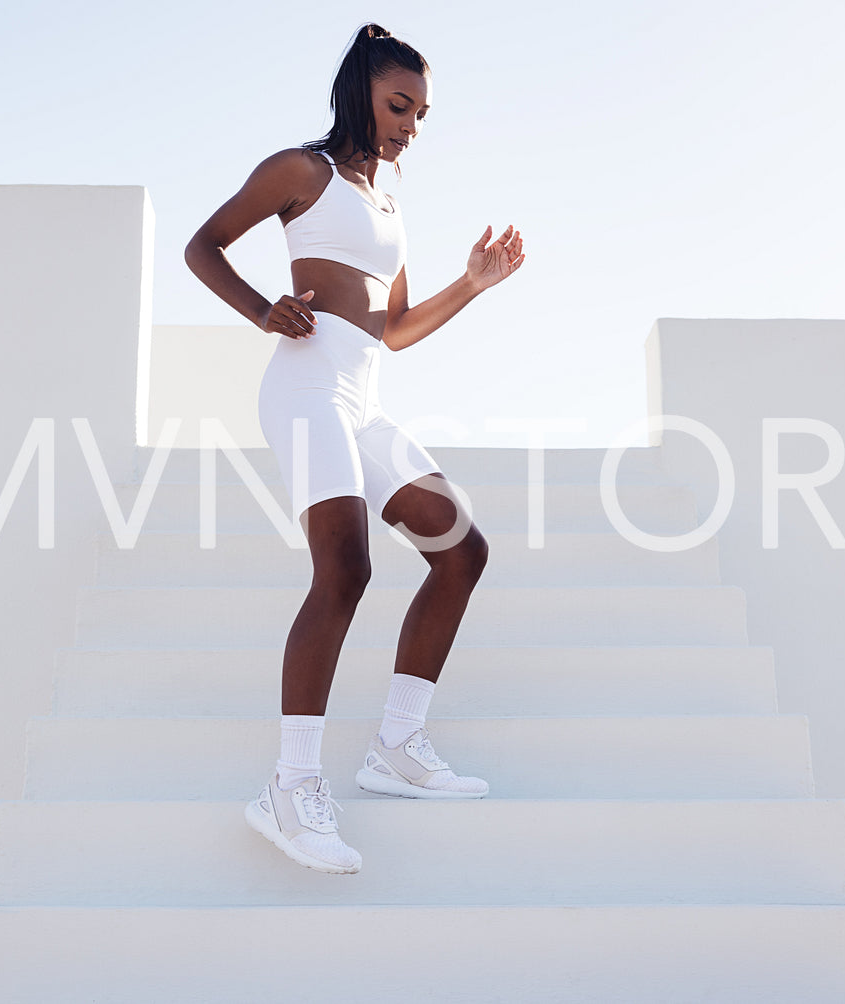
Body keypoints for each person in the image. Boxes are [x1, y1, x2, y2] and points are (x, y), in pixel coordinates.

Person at [184, 22, 525, 875]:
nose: (410, 124)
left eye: (420, 112)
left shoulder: (387, 202)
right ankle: (289, 788)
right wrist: (263, 307)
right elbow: (203, 245)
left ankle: (395, 750)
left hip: (363, 396)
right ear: (359, 92)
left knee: (460, 549)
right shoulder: (303, 172)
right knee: (345, 568)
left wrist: (471, 284)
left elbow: (396, 330)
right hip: (304, 384)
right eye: (397, 104)